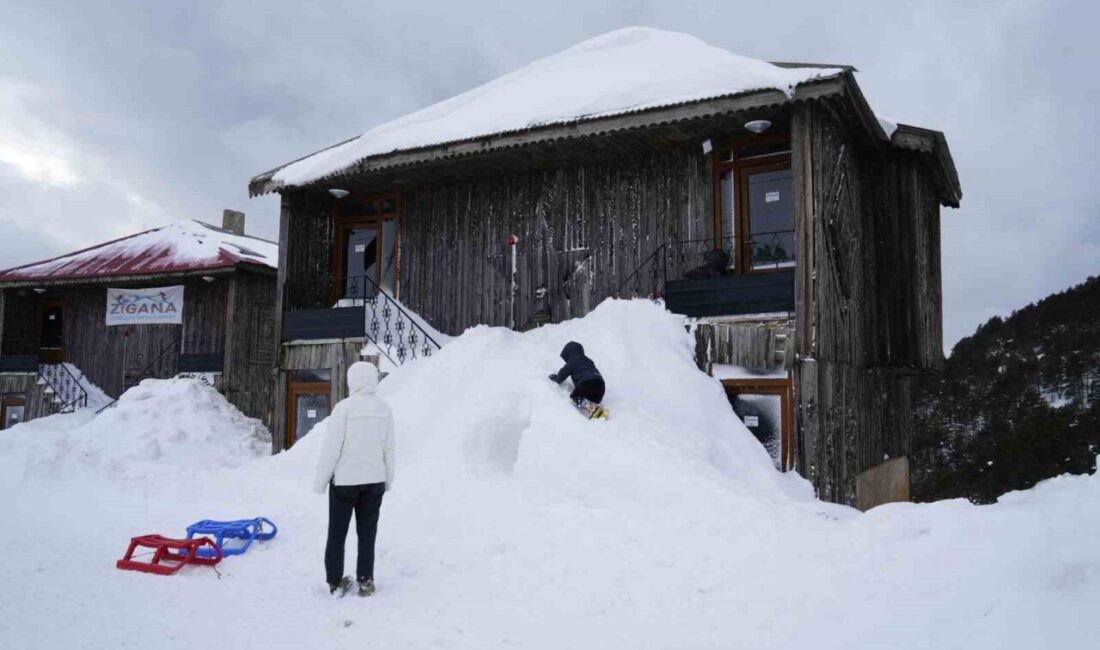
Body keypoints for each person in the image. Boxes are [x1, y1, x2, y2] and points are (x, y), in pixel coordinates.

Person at [313, 361, 395, 597]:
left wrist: (320, 482)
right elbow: (389, 449)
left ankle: (335, 581)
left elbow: (331, 449)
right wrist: (388, 479)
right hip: (374, 481)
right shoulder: (384, 409)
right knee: (367, 533)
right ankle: (365, 580)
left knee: (337, 533)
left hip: (345, 483)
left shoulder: (344, 408)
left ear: (352, 381)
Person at [549, 341, 605, 405]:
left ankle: (591, 408)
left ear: (569, 353)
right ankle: (597, 408)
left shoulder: (573, 361)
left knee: (575, 397)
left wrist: (556, 379)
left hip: (587, 383)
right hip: (601, 386)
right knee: (591, 396)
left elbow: (563, 373)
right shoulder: (589, 360)